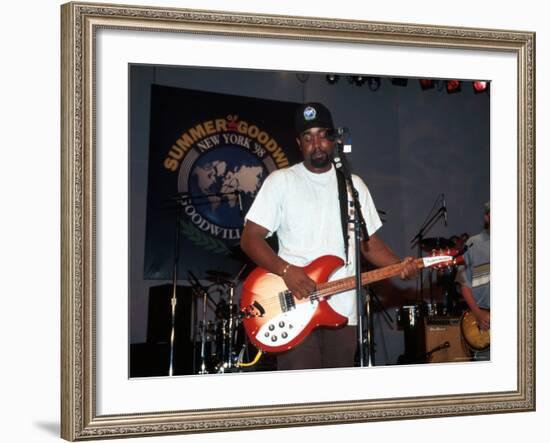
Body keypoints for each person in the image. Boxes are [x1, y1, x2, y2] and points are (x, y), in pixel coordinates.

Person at [240, 102, 418, 370]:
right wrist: (287, 271)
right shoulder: (281, 182)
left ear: (333, 138)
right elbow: (250, 238)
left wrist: (399, 265)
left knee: (337, 398)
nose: (317, 144)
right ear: (298, 143)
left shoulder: (353, 186)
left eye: (323, 135)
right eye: (308, 137)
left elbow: (369, 245)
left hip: (343, 312)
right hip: (294, 307)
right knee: (302, 400)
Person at [456, 202, 490, 360]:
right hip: (484, 322)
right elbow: (464, 284)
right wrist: (477, 313)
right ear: (487, 217)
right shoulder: (472, 244)